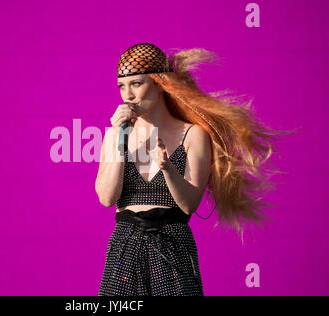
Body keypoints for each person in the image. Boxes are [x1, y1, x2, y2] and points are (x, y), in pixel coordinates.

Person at [95, 43, 291, 296]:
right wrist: (120, 139)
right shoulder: (113, 135)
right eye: (122, 86)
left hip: (172, 247)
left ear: (159, 83)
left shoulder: (193, 134)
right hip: (124, 249)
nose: (128, 95)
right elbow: (106, 198)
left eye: (136, 83)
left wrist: (167, 167)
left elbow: (189, 204)